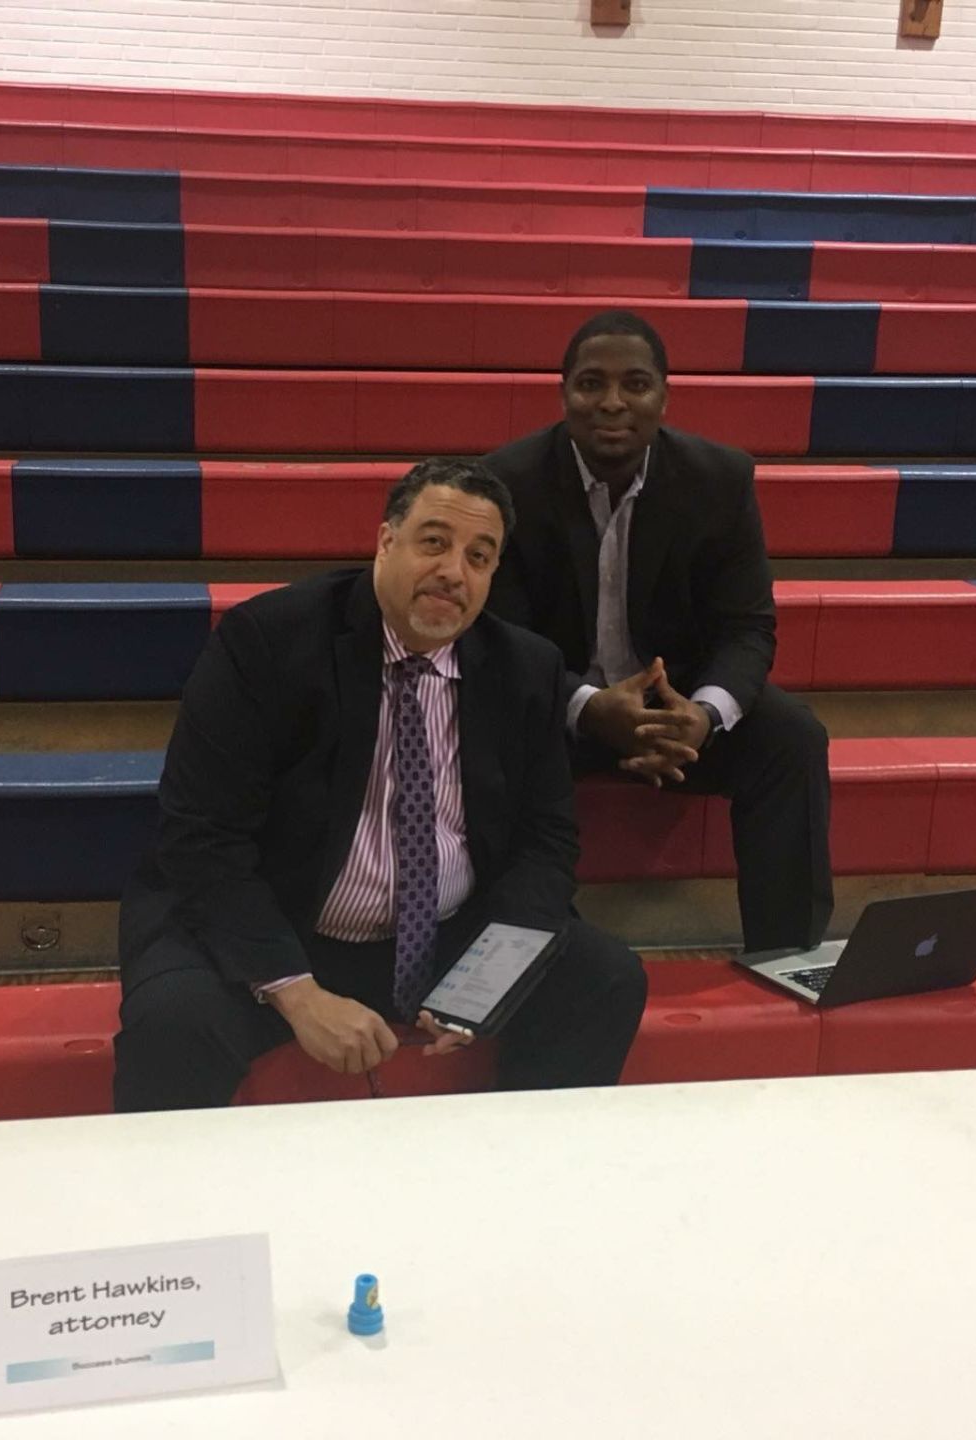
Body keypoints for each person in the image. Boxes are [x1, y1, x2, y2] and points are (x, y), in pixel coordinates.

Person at [113, 457, 646, 1112]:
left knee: (605, 978)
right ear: (385, 540)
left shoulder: (525, 667)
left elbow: (547, 840)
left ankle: (521, 1180)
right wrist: (295, 991)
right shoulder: (267, 643)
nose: (455, 571)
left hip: (448, 930)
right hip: (282, 920)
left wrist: (488, 978)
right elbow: (202, 839)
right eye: (434, 542)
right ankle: (180, 1212)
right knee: (175, 1025)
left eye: (480, 557)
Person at [484, 310, 833, 952]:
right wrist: (588, 709)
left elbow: (748, 627)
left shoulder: (719, 479)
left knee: (793, 739)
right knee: (489, 733)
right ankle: (525, 959)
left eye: (635, 384)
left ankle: (787, 955)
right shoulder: (508, 482)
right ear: (563, 394)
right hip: (555, 706)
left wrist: (702, 715)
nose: (612, 403)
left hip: (675, 710)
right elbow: (500, 640)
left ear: (664, 396)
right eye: (590, 384)